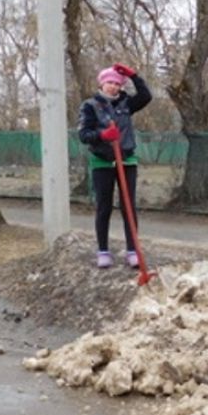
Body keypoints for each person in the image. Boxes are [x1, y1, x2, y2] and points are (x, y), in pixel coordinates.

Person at [78, 62, 152, 268]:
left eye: (117, 83)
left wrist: (134, 76)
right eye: (109, 82)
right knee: (104, 207)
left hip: (126, 160)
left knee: (129, 206)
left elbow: (146, 96)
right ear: (102, 84)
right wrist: (102, 135)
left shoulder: (126, 103)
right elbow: (83, 135)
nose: (113, 86)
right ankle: (103, 250)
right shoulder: (90, 105)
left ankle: (132, 250)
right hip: (102, 162)